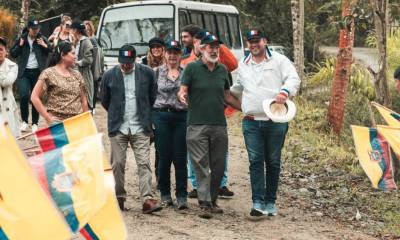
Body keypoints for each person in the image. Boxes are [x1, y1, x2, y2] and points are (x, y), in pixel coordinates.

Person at [230, 29, 300, 217]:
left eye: (257, 41)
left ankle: (270, 202)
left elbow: (294, 78)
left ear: (265, 41)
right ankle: (257, 202)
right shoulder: (243, 64)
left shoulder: (278, 60)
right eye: (250, 41)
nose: (253, 45)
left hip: (275, 120)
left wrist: (285, 92)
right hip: (251, 122)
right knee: (255, 161)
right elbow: (236, 89)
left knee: (273, 161)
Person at [178, 34, 241, 218]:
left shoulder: (223, 71)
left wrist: (247, 109)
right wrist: (181, 96)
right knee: (201, 165)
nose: (214, 50)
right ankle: (205, 203)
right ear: (202, 49)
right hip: (196, 125)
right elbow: (182, 90)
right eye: (210, 47)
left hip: (219, 125)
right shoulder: (191, 68)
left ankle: (212, 200)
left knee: (219, 166)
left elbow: (228, 96)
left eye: (216, 47)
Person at [101, 44, 161, 214]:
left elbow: (152, 96)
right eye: (122, 62)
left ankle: (147, 199)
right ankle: (118, 197)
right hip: (118, 127)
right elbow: (104, 100)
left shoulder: (147, 73)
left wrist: (145, 115)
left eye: (128, 62)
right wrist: (115, 114)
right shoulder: (109, 75)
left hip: (140, 125)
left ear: (135, 60)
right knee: (118, 163)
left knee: (144, 163)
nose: (125, 65)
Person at [152, 40, 188, 209]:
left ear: (181, 55)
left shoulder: (187, 72)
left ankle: (182, 195)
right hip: (161, 116)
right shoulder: (156, 72)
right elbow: (148, 95)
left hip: (181, 116)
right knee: (164, 156)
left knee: (180, 157)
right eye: (170, 52)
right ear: (165, 54)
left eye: (176, 52)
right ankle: (165, 193)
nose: (173, 56)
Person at [10, 17, 52, 133]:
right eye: (33, 29)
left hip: (38, 72)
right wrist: (20, 45)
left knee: (35, 98)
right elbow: (13, 53)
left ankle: (34, 123)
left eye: (37, 28)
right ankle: (24, 121)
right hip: (24, 72)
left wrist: (45, 45)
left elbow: (51, 50)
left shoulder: (41, 39)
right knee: (23, 96)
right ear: (29, 28)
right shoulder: (22, 39)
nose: (35, 31)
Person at [30, 41, 88, 124]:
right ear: (63, 55)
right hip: (57, 124)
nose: (76, 57)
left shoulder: (77, 74)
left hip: (76, 123)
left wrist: (86, 120)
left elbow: (83, 100)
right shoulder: (48, 73)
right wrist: (47, 117)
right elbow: (34, 97)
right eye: (73, 53)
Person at [70, 21, 94, 110]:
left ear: (75, 30)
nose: (70, 31)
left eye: (71, 29)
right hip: (75, 75)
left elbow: (88, 60)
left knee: (86, 101)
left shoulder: (86, 42)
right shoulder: (76, 41)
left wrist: (77, 62)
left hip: (84, 75)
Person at [0, 37, 20, 137]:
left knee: (8, 138)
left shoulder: (13, 66)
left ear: (6, 51)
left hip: (6, 104)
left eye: (0, 49)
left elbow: (6, 82)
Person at [84, 20, 104, 111]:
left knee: (94, 86)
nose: (87, 31)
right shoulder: (83, 40)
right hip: (86, 66)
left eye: (88, 29)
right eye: (85, 29)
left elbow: (100, 55)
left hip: (94, 66)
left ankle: (93, 106)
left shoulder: (94, 39)